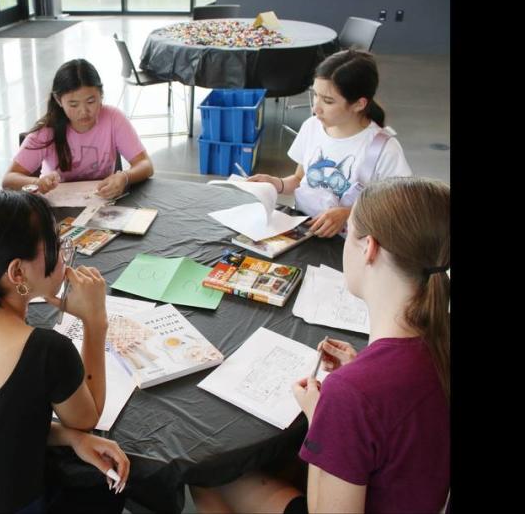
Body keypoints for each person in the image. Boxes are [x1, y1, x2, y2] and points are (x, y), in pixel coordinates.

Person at [190, 177, 450, 513]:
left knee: (207, 475)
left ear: (369, 248)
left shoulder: (350, 395)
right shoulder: (437, 341)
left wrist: (322, 420)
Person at [0, 190, 130, 513]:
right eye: (56, 248)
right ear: (17, 273)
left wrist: (71, 439)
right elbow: (87, 417)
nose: (63, 257)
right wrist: (94, 321)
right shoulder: (44, 351)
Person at [248, 49, 411, 238]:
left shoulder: (384, 149)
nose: (315, 107)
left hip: (350, 245)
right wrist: (276, 183)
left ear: (359, 104)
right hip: (304, 232)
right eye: (315, 95)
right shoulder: (311, 127)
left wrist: (348, 214)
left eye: (328, 101)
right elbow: (300, 179)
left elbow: (398, 210)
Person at [2, 58, 154, 198]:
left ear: (101, 95)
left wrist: (125, 177)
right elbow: (9, 179)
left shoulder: (113, 118)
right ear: (58, 100)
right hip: (57, 208)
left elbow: (145, 165)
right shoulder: (47, 131)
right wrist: (38, 183)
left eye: (91, 101)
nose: (84, 112)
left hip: (102, 203)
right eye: (73, 104)